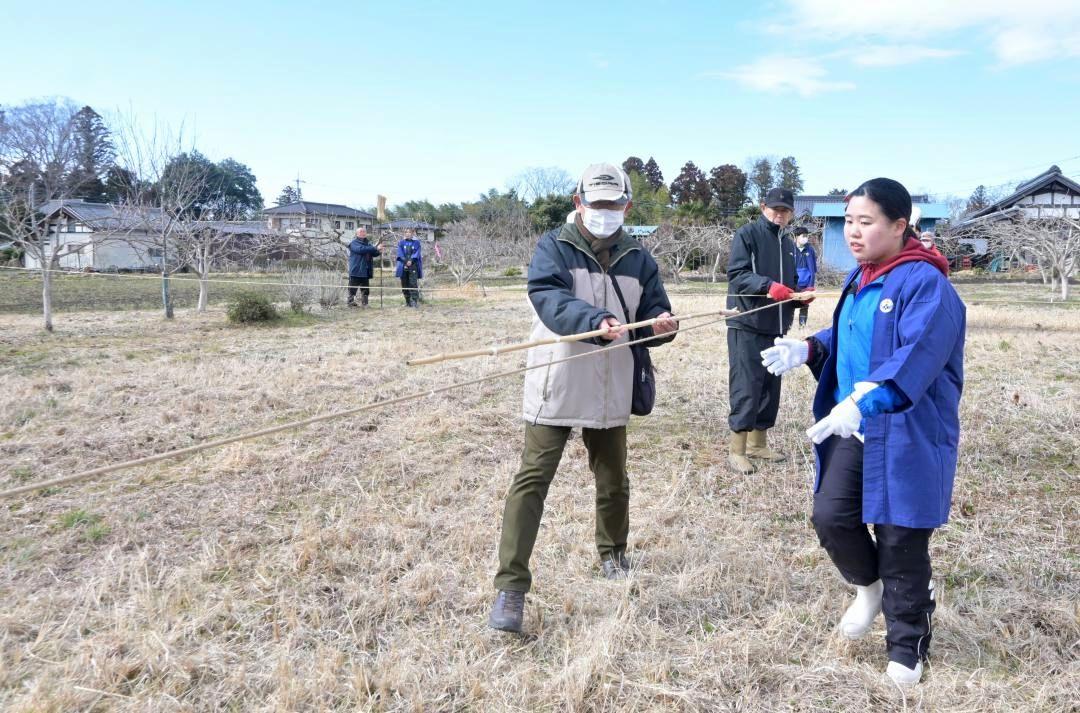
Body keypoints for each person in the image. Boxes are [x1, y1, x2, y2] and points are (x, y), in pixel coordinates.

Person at [760, 177, 965, 687]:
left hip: (905, 428)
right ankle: (869, 588)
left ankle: (907, 644)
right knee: (831, 516)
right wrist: (810, 348)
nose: (853, 231)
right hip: (853, 426)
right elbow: (855, 334)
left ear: (899, 226)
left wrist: (863, 401)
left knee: (899, 538)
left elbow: (914, 357)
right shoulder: (862, 276)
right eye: (849, 221)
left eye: (865, 222)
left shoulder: (927, 285)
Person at [488, 163, 679, 634]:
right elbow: (547, 297)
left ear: (627, 207)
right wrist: (594, 320)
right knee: (533, 478)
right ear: (579, 203)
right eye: (597, 204)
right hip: (558, 378)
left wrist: (661, 325)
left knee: (613, 478)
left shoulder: (639, 257)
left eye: (614, 204)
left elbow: (653, 309)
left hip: (612, 382)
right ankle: (511, 587)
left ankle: (613, 554)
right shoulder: (554, 246)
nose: (605, 212)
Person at [725, 186, 804, 474]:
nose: (780, 214)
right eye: (775, 209)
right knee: (747, 385)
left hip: (776, 325)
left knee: (771, 386)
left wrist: (799, 296)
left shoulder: (789, 244)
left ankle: (758, 444)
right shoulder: (747, 234)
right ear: (763, 207)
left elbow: (790, 283)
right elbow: (737, 274)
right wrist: (767, 286)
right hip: (748, 321)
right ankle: (737, 449)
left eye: (785, 210)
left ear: (791, 214)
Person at [346, 227, 381, 308]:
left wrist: (379, 251)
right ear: (357, 234)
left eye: (364, 231)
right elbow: (361, 250)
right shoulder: (353, 243)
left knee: (365, 289)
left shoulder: (368, 243)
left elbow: (373, 253)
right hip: (356, 270)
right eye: (361, 231)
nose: (363, 233)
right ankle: (350, 303)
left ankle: (365, 304)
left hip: (365, 270)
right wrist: (375, 247)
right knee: (352, 289)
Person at [794, 227, 818, 328]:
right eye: (803, 236)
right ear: (796, 237)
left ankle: (802, 326)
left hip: (807, 283)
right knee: (790, 304)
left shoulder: (810, 249)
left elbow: (813, 268)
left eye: (806, 236)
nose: (805, 238)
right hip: (794, 283)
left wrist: (811, 284)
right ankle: (788, 325)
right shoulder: (791, 249)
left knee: (805, 304)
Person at [395, 228, 423, 307]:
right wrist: (405, 261)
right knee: (404, 284)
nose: (408, 234)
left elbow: (416, 253)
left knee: (413, 284)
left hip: (413, 266)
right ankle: (408, 302)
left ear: (412, 233)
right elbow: (400, 253)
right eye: (406, 232)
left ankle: (414, 302)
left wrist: (411, 260)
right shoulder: (401, 242)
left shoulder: (416, 242)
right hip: (403, 265)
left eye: (409, 232)